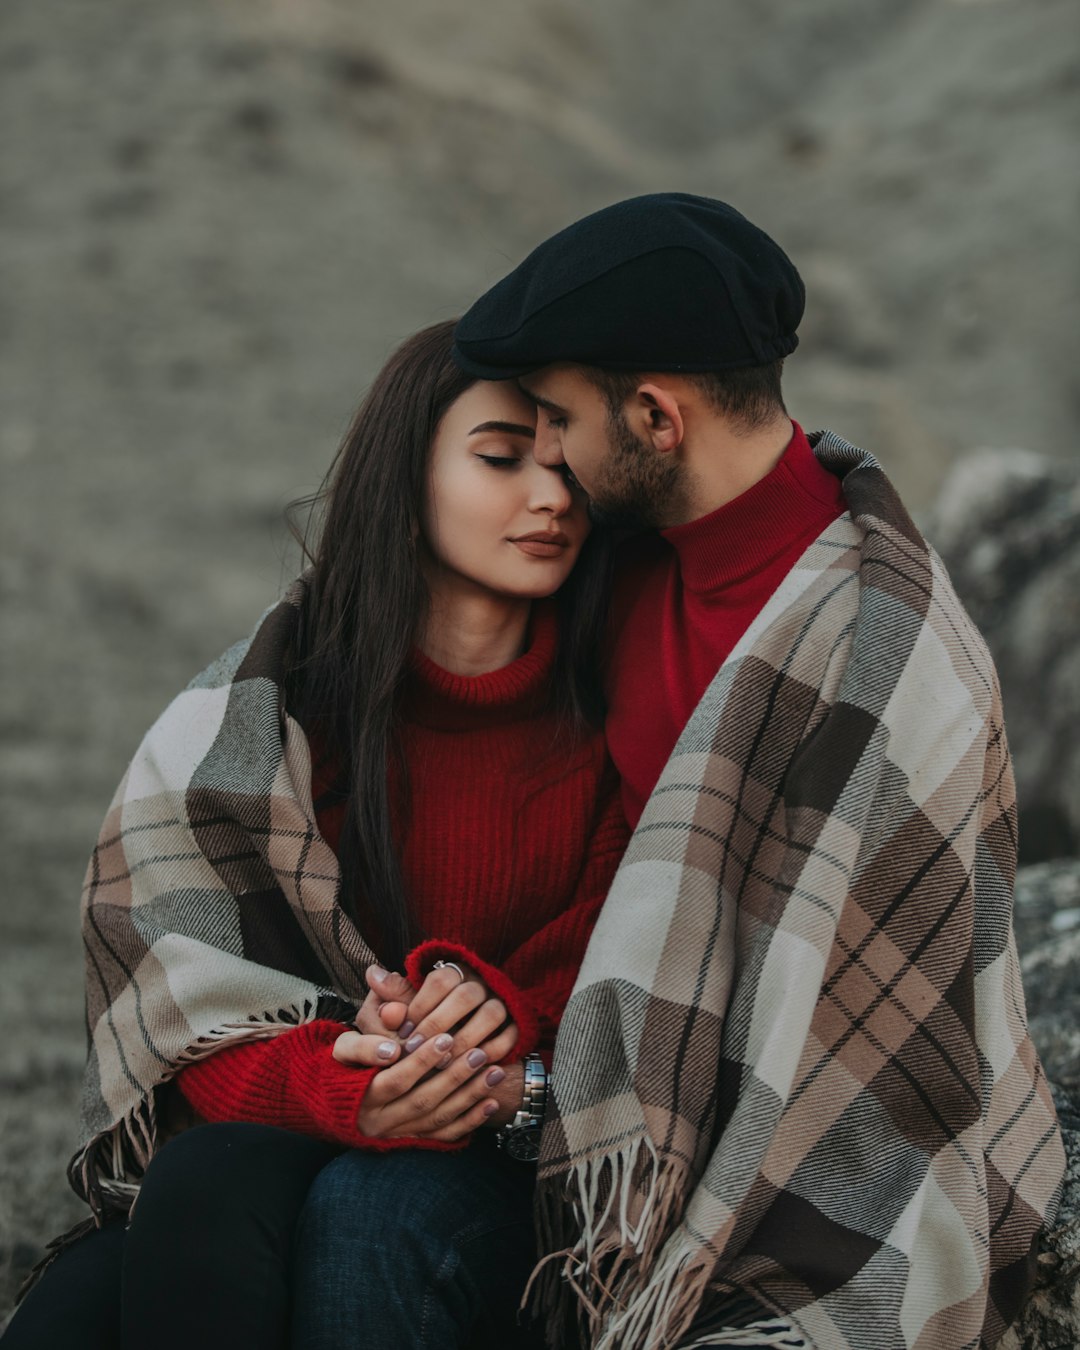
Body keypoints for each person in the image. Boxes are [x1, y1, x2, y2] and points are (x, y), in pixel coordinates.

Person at [306, 194, 1066, 1350]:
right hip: (583, 1127)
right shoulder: (615, 569)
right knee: (363, 1214)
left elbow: (876, 1043)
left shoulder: (893, 656)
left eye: (560, 418)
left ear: (657, 418)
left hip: (812, 1166)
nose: (549, 458)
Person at [5, 319, 629, 1349]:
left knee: (366, 1216)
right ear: (405, 472)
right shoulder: (275, 709)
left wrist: (480, 1026)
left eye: (568, 467)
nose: (552, 496)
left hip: (537, 1165)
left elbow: (630, 984)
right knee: (92, 1292)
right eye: (501, 458)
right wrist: (354, 1082)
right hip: (324, 1118)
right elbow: (193, 1004)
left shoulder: (625, 716)